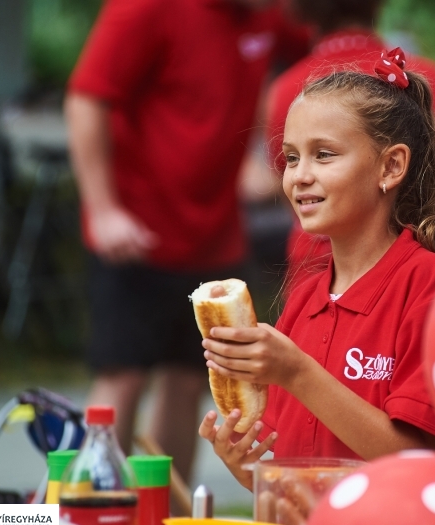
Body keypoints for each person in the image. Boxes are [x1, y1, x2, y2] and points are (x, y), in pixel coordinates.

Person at [64, 0, 309, 487]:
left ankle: (163, 514)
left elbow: (322, 54)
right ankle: (96, 507)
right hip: (137, 231)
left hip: (215, 236)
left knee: (190, 377)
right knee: (124, 374)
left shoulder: (267, 14)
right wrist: (105, 209)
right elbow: (85, 98)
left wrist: (273, 153)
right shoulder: (144, 9)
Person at [199, 59, 435, 494]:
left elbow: (416, 465)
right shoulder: (305, 299)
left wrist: (297, 372)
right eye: (292, 158)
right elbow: (293, 479)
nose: (299, 176)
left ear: (391, 167)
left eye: (324, 155)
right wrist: (248, 467)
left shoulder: (428, 283)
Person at [265, 0, 435, 290]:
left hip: (313, 281)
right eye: (294, 158)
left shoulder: (285, 92)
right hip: (401, 283)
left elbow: (293, 194)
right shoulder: (413, 77)